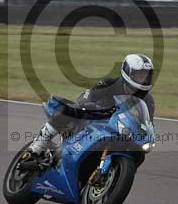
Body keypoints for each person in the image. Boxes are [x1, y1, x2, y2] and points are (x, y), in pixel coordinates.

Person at [28, 53, 156, 159]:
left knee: (139, 154)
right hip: (95, 117)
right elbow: (88, 96)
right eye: (140, 75)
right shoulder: (109, 83)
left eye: (146, 76)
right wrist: (89, 105)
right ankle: (38, 146)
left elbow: (147, 123)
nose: (143, 80)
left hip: (119, 130)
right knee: (70, 109)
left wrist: (147, 137)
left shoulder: (148, 101)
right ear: (128, 72)